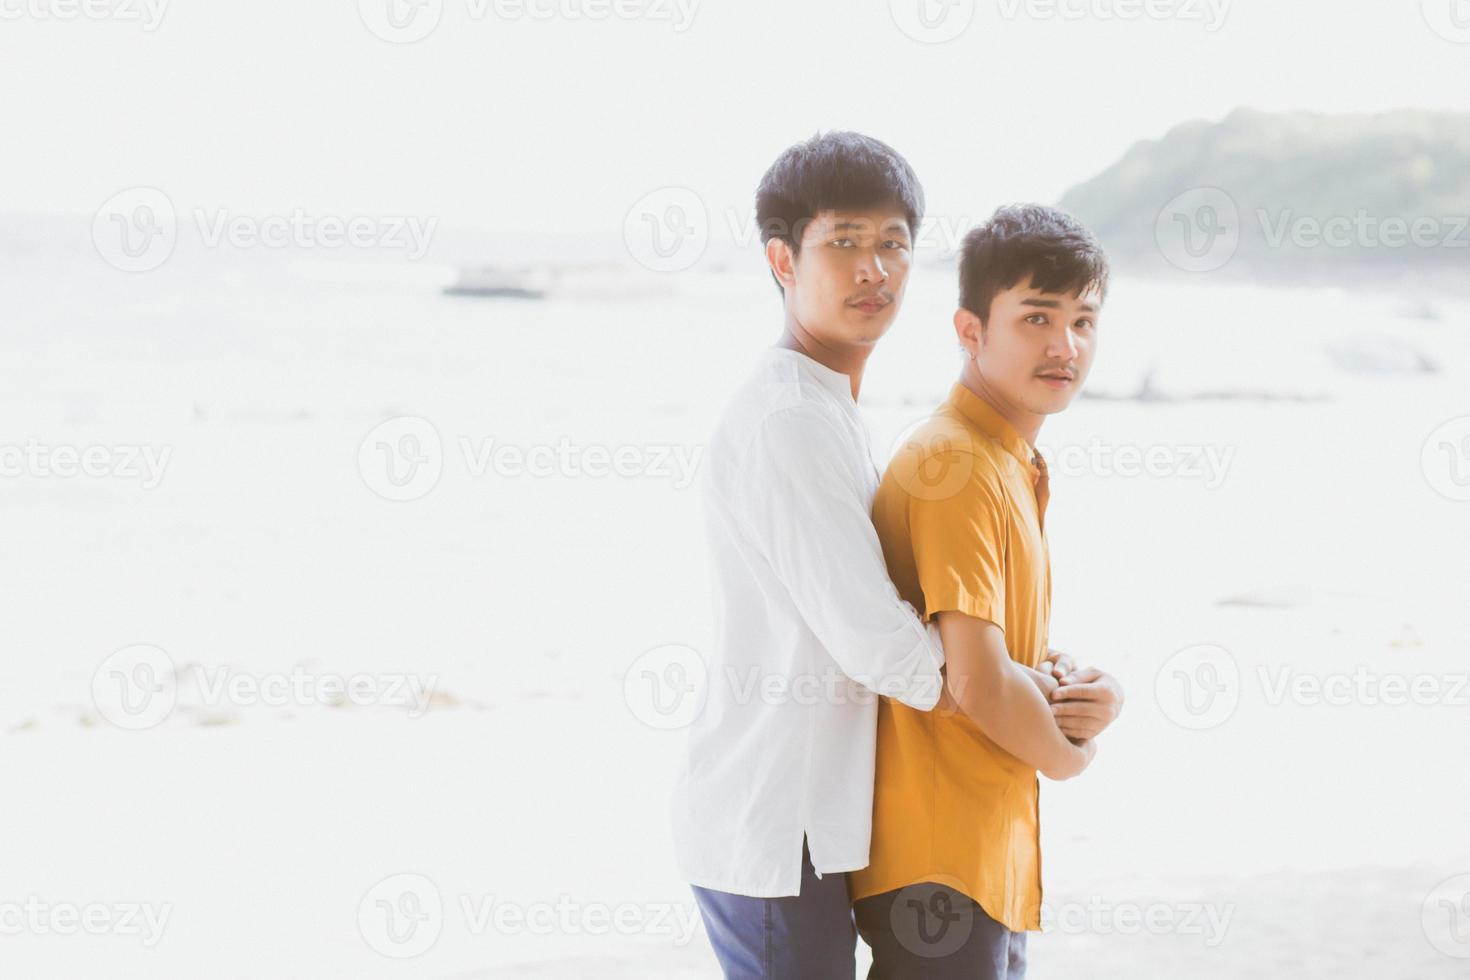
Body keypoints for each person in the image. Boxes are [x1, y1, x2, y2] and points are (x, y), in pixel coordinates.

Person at [671, 131, 1008, 979]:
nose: (875, 270)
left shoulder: (823, 407)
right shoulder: (790, 419)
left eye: (893, 244)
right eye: (845, 244)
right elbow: (881, 644)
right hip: (776, 824)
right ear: (783, 260)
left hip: (810, 818)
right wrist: (1022, 700)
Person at [850, 204, 1125, 979]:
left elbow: (1000, 654)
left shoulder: (1005, 462)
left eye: (1083, 320)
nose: (1064, 345)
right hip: (939, 862)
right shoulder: (959, 465)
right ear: (970, 330)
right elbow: (974, 680)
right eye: (1036, 317)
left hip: (976, 852)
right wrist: (1073, 757)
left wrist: (1083, 692)